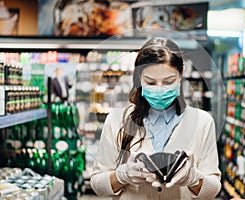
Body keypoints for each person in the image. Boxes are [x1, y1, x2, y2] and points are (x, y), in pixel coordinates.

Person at [91, 37, 221, 199]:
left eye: (168, 81)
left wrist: (193, 178)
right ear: (139, 78)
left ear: (181, 74)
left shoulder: (202, 122)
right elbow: (98, 185)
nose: (160, 89)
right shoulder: (117, 120)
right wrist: (122, 175)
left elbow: (213, 189)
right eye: (151, 82)